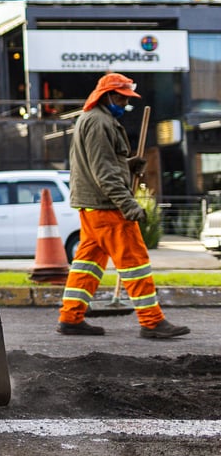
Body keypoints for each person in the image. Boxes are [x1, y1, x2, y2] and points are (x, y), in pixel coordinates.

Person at [57, 72, 190, 339]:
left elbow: (99, 166)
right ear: (106, 95)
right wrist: (129, 206)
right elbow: (104, 172)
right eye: (120, 97)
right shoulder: (99, 123)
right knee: (135, 261)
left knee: (87, 263)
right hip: (106, 208)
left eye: (126, 98)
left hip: (92, 205)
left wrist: (129, 166)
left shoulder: (92, 120)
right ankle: (152, 322)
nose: (124, 102)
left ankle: (71, 317)